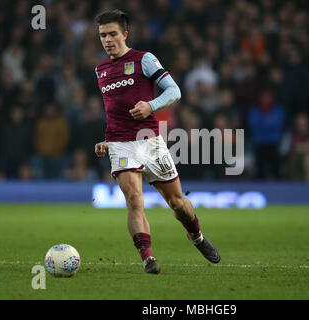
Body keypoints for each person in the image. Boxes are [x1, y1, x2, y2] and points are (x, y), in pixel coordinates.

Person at [93, 10, 220, 274]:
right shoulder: (101, 70)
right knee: (134, 200)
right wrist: (107, 139)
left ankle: (196, 236)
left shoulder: (144, 60)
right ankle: (148, 258)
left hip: (149, 141)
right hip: (121, 144)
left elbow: (174, 91)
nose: (107, 40)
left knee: (177, 204)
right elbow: (112, 110)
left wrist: (150, 105)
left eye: (112, 34)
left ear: (124, 34)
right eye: (103, 35)